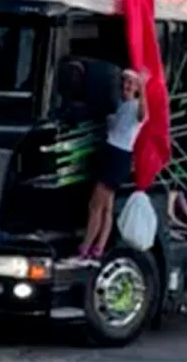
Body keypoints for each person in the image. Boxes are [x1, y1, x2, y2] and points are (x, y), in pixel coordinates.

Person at [78, 68, 147, 261]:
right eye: (126, 82)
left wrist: (144, 91)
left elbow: (142, 115)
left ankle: (86, 246)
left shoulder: (135, 107)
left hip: (117, 155)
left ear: (137, 89)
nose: (127, 86)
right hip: (111, 152)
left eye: (132, 84)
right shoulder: (122, 105)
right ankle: (98, 246)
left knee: (95, 205)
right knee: (107, 206)